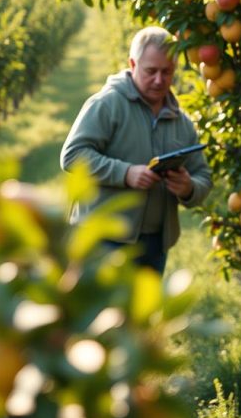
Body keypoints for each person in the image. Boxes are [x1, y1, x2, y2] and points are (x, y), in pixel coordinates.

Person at [61, 26, 212, 274]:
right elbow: (73, 155)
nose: (159, 80)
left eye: (167, 72)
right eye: (151, 71)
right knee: (101, 311)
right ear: (133, 64)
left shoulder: (181, 122)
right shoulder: (108, 105)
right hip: (103, 238)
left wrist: (189, 188)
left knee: (142, 313)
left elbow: (202, 176)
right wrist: (126, 173)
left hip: (153, 246)